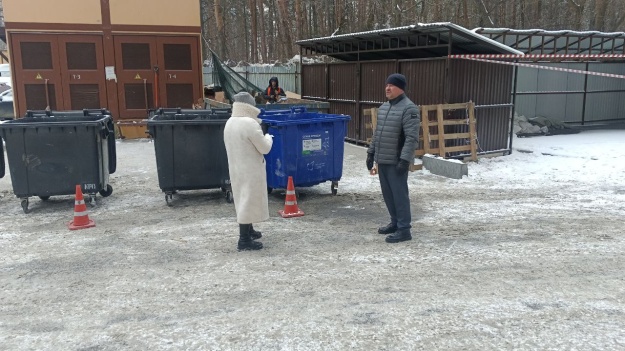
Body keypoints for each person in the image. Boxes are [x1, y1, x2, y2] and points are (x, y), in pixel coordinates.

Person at [366, 73, 420, 243]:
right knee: (388, 195)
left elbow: (411, 137)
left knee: (399, 195)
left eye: (392, 85)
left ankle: (404, 229)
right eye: (386, 85)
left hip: (397, 161)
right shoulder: (383, 108)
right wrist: (371, 153)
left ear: (401, 88)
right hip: (383, 159)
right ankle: (395, 222)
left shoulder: (409, 108)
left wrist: (405, 160)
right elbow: (378, 134)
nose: (387, 88)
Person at [224, 92, 274, 250]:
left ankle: (249, 230)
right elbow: (265, 148)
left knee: (243, 199)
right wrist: (269, 137)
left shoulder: (230, 122)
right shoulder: (250, 123)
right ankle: (244, 240)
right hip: (250, 169)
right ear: (250, 106)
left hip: (236, 167)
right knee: (248, 200)